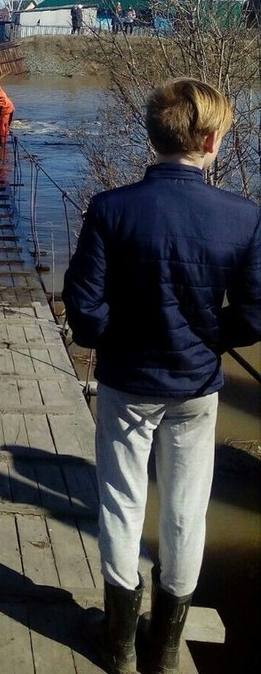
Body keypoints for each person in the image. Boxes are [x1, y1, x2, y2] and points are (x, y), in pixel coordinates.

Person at [62, 78, 261, 674]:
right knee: (185, 511)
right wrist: (207, 338)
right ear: (207, 139)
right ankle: (165, 651)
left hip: (126, 384)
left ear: (155, 136)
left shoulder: (111, 208)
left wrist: (116, 338)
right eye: (221, 134)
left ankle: (120, 644)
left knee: (121, 504)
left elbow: (84, 307)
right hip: (196, 389)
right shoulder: (244, 217)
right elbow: (253, 313)